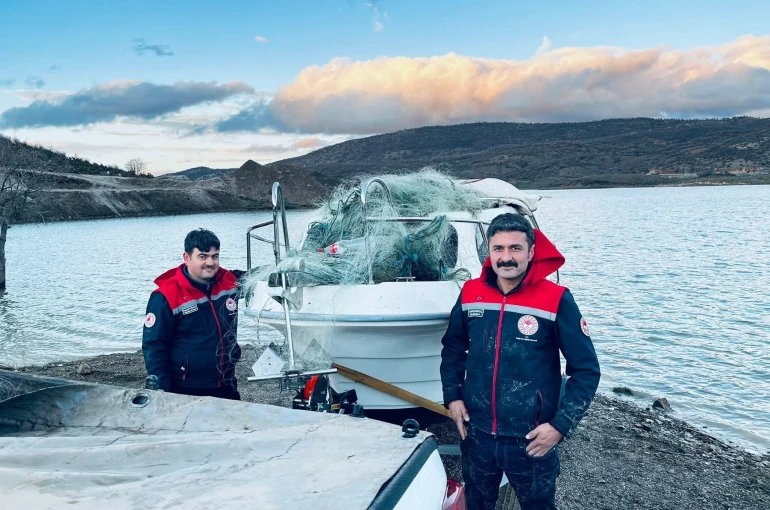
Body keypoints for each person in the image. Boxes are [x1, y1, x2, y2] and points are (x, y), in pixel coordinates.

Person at [440, 213, 600, 510]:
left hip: (531, 440)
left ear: (531, 252)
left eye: (515, 248)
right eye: (498, 249)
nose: (506, 257)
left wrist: (560, 426)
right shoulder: (470, 293)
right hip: (477, 435)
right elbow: (452, 349)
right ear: (489, 252)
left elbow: (586, 370)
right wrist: (452, 397)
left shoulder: (556, 299)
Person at [142, 228, 242, 400]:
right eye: (202, 256)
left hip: (226, 382)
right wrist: (162, 388)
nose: (210, 263)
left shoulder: (230, 281)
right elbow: (154, 346)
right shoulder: (165, 296)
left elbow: (260, 279)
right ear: (187, 258)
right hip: (187, 388)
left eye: (215, 256)